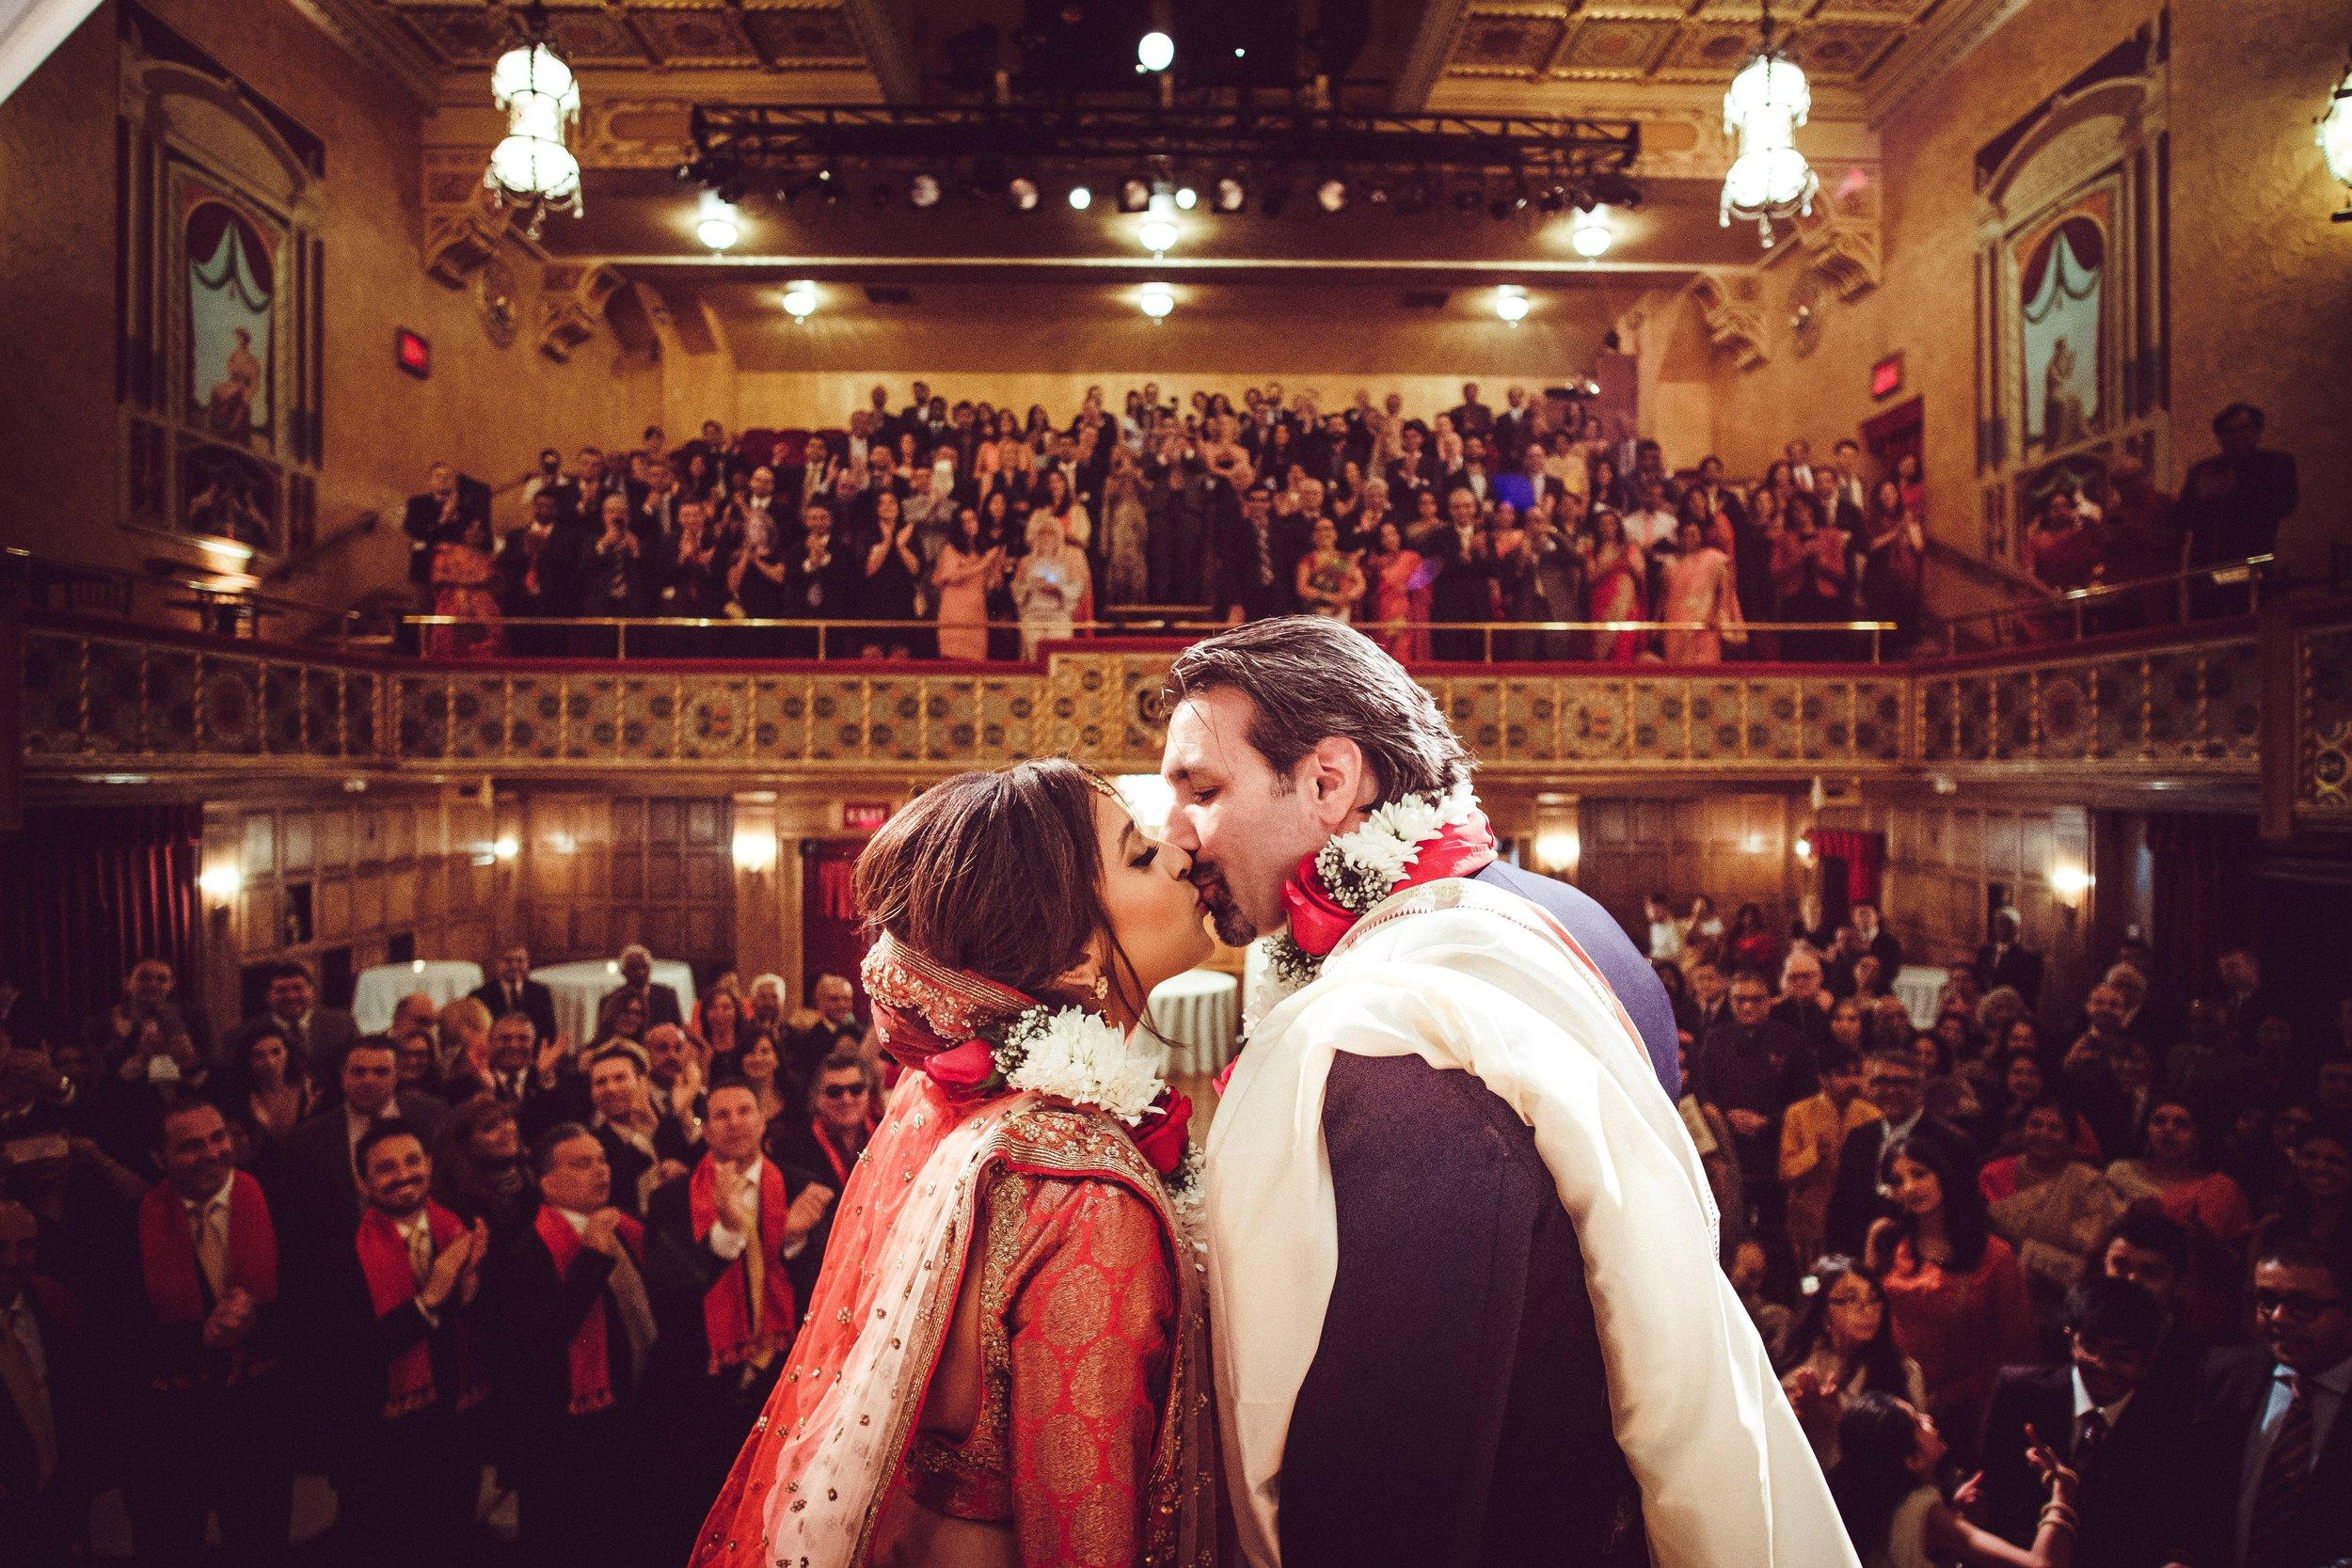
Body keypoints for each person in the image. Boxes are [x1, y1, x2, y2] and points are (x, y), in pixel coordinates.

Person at [1160, 618, 1850, 1564]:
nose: (1175, 832)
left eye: (1202, 787)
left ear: (1328, 779)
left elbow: (1392, 1465)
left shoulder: (1393, 1042)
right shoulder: (1568, 925)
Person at [691, 760, 1220, 1567]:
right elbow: (1085, 1532)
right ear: (1078, 957)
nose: (1181, 852)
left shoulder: (971, 1124)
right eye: (1141, 856)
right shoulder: (1077, 1189)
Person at [643, 1080, 817, 1557]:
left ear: (762, 1121)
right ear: (704, 1129)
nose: (736, 1122)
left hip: (784, 1369)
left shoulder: (804, 1186)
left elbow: (826, 1281)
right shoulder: (671, 1200)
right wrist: (724, 1235)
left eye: (745, 1111)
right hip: (703, 1377)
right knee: (704, 1504)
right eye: (721, 1115)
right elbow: (668, 1290)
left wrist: (792, 1238)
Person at [125, 1098, 295, 1568]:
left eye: (218, 1138)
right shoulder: (130, 1224)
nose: (213, 1153)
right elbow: (119, 1336)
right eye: (191, 1147)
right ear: (159, 1159)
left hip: (260, 1424)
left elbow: (311, 1308)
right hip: (171, 1436)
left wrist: (259, 1318)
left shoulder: (278, 1202)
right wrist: (198, 1337)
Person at [482, 1123, 659, 1565]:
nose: (600, 1171)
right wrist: (590, 1261)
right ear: (546, 1182)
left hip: (625, 1415)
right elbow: (536, 1344)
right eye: (582, 1164)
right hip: (565, 1438)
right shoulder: (528, 1251)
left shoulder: (619, 1226)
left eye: (601, 1159)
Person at [326, 1121, 490, 1568]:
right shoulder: (340, 1250)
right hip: (383, 1434)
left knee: (455, 1539)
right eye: (386, 1168)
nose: (403, 1174)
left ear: (430, 1166)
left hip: (457, 1419)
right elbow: (347, 1352)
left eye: (413, 1161)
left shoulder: (461, 1228)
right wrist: (429, 1299)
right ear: (363, 1181)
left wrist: (472, 1290)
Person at [1977, 1275, 2195, 1568]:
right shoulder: (2019, 1392)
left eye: (2122, 1355)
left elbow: (2160, 1530)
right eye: (2090, 1347)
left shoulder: (2169, 1426)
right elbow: (1994, 1491)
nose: (2103, 1364)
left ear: (2150, 1359)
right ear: (2070, 1338)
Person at [2173, 1233, 2352, 1568]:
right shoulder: (2225, 1374)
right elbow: (2187, 1497)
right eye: (2266, 1300)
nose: (2278, 1318)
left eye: (2302, 1306)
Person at [1869, 1131, 2038, 1450]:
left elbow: (2018, 1348)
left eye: (1919, 1174)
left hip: (1972, 1408)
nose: (1908, 1188)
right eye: (1897, 1180)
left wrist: (1950, 1397)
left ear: (1944, 1173)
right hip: (1899, 1398)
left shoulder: (1993, 1254)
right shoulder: (1887, 1241)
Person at [1829, 1390, 2080, 1568]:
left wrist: (1953, 1516)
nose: (1929, 1420)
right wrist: (2061, 1489)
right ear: (1911, 1460)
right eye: (1917, 1422)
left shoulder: (1881, 1507)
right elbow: (2041, 1565)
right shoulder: (1925, 1512)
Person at [2104, 1099, 2254, 1338]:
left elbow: (2232, 1267)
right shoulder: (2119, 1172)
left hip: (2191, 1308)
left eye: (2181, 1124)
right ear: (2146, 1128)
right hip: (2121, 1288)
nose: (2168, 1129)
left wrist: (2190, 1229)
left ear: (2198, 1137)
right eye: (2159, 1121)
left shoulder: (2218, 1188)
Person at [1983, 1097, 2128, 1330]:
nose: (2043, 1133)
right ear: (2022, 1131)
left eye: (2054, 1128)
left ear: (2070, 1139)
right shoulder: (1995, 1173)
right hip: (1998, 1298)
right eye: (2035, 1125)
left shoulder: (2086, 1181)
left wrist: (2029, 1258)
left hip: (2061, 1308)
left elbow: (2089, 1250)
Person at [0, 1198, 88, 1568]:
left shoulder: (51, 1304)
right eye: (0, 1247)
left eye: (26, 1246)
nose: (11, 1261)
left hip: (53, 1504)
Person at [1779, 1255, 1927, 1468]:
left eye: (1874, 1298)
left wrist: (1837, 1419)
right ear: (1823, 1313)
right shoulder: (1800, 1364)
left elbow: (1914, 1454)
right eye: (1850, 1299)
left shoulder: (1903, 1370)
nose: (1867, 1309)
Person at [763, 1051, 871, 1304]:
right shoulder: (788, 1149)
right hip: (818, 1280)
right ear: (816, 1099)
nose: (846, 1099)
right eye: (834, 1091)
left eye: (856, 1089)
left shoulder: (890, 1137)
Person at [1784, 1047, 1883, 1273]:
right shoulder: (1798, 1113)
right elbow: (1786, 1173)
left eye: (1857, 1074)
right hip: (1810, 1216)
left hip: (1857, 1216)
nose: (1852, 1082)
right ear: (1823, 1079)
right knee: (1810, 1282)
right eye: (1843, 1075)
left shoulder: (1872, 1115)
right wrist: (1815, 1154)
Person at [244, 960, 358, 1089]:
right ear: (268, 996)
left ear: (312, 991)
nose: (291, 996)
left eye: (298, 988)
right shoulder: (247, 1033)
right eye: (281, 990)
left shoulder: (342, 1024)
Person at [1659, 513, 1745, 664]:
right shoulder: (1670, 563)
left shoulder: (1714, 558)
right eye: (1685, 535)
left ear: (1701, 536)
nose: (1688, 539)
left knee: (1705, 668)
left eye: (1693, 534)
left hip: (1705, 621)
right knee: (1675, 666)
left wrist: (1718, 614)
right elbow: (1664, 595)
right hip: (1675, 620)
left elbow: (1725, 591)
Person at [1010, 509, 1089, 657]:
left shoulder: (1068, 560)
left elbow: (1076, 589)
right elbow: (1017, 591)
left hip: (1058, 618)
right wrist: (1031, 585)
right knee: (1036, 657)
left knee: (1058, 657)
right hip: (1034, 617)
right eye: (1043, 533)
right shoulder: (1026, 562)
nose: (1047, 537)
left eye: (1051, 533)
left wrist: (1058, 588)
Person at [930, 504, 1002, 660]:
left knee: (975, 667)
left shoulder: (981, 550)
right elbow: (949, 575)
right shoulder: (951, 549)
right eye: (965, 522)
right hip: (955, 614)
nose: (970, 525)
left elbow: (989, 586)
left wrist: (995, 568)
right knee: (954, 663)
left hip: (976, 615)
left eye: (973, 520)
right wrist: (983, 564)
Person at [471, 943, 558, 1046]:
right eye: (508, 961)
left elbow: (550, 1033)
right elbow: (478, 1036)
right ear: (497, 963)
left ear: (527, 963)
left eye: (520, 961)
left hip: (534, 1056)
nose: (514, 966)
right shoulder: (480, 996)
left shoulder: (541, 993)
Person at [1294, 515, 1366, 621]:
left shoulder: (1345, 558)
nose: (1324, 533)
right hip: (1316, 615)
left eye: (1327, 529)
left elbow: (1360, 583)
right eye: (1319, 530)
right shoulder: (1308, 560)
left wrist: (1347, 597)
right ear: (1313, 536)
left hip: (1343, 614)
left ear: (1335, 534)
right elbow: (1302, 588)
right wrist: (1329, 598)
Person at [601, 943, 683, 1032]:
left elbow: (679, 1028)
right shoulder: (611, 1000)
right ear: (623, 972)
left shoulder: (667, 996)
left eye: (644, 966)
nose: (640, 972)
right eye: (634, 968)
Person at [1978, 910, 2046, 1011]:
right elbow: (1979, 976)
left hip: (2012, 1009)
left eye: (2006, 924)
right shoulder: (1985, 951)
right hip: (1986, 1006)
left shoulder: (2029, 957)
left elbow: (2031, 991)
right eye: (1998, 924)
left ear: (2016, 927)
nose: (2001, 929)